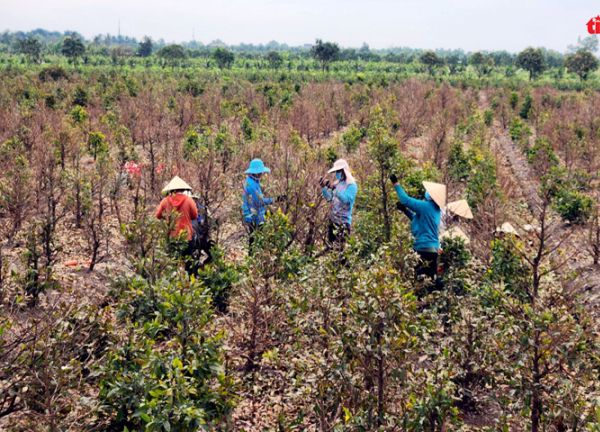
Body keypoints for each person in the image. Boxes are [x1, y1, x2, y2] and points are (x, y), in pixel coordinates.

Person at [390, 175, 445, 285]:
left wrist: (396, 184)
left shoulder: (425, 206)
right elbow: (419, 220)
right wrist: (405, 211)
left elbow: (405, 200)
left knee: (419, 280)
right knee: (430, 280)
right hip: (433, 250)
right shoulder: (436, 210)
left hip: (422, 249)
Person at [155, 176, 199, 270]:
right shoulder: (189, 200)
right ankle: (188, 281)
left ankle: (173, 281)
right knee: (188, 261)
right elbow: (195, 216)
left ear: (171, 190)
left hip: (171, 235)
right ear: (183, 189)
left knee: (172, 262)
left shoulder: (165, 201)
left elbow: (158, 215)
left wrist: (167, 218)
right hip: (186, 236)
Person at [242, 158, 283, 249]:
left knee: (256, 239)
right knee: (255, 240)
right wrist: (276, 199)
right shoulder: (251, 185)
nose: (262, 174)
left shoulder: (253, 181)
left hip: (256, 214)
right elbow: (259, 202)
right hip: (253, 216)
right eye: (260, 172)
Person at [320, 159, 358, 251]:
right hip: (333, 221)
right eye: (336, 171)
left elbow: (346, 200)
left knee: (340, 251)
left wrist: (333, 189)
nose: (337, 173)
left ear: (344, 171)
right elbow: (329, 198)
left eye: (339, 171)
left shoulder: (352, 185)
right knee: (331, 249)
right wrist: (324, 188)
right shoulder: (337, 184)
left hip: (343, 223)